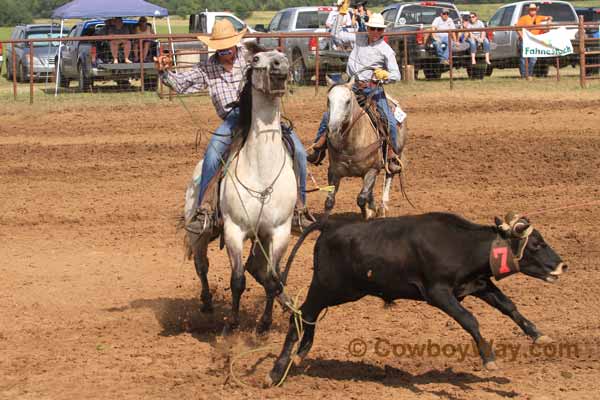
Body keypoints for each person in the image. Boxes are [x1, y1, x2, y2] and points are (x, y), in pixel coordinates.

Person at [154, 20, 314, 234]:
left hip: (265, 116)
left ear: (235, 43)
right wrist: (164, 73)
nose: (225, 49)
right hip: (234, 119)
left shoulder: (250, 59)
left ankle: (299, 209)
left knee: (300, 153)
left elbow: (273, 61)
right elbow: (180, 84)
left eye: (228, 45)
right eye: (220, 46)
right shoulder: (207, 68)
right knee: (212, 156)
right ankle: (205, 209)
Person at [307, 13, 402, 173]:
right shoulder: (358, 40)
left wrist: (385, 76)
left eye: (378, 29)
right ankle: (319, 148)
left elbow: (396, 75)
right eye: (372, 28)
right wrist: (340, 13)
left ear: (382, 31)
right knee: (329, 115)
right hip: (354, 87)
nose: (375, 32)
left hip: (373, 90)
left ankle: (391, 155)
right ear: (368, 28)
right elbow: (335, 34)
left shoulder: (386, 50)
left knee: (390, 121)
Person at [517, 3, 552, 80]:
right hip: (525, 41)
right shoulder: (523, 18)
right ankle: (524, 75)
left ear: (536, 10)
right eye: (531, 9)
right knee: (524, 58)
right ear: (528, 10)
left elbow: (549, 18)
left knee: (533, 59)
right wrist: (522, 36)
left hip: (534, 41)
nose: (533, 11)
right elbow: (517, 27)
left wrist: (549, 20)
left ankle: (529, 74)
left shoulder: (539, 18)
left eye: (534, 9)